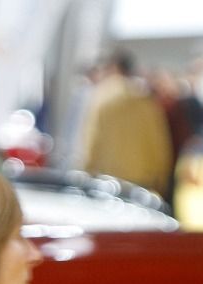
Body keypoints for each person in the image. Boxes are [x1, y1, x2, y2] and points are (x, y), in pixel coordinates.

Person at [75, 50, 174, 197]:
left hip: (107, 179)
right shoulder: (144, 98)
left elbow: (92, 139)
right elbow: (158, 142)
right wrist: (161, 176)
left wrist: (86, 170)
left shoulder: (101, 96)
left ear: (113, 68)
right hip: (141, 180)